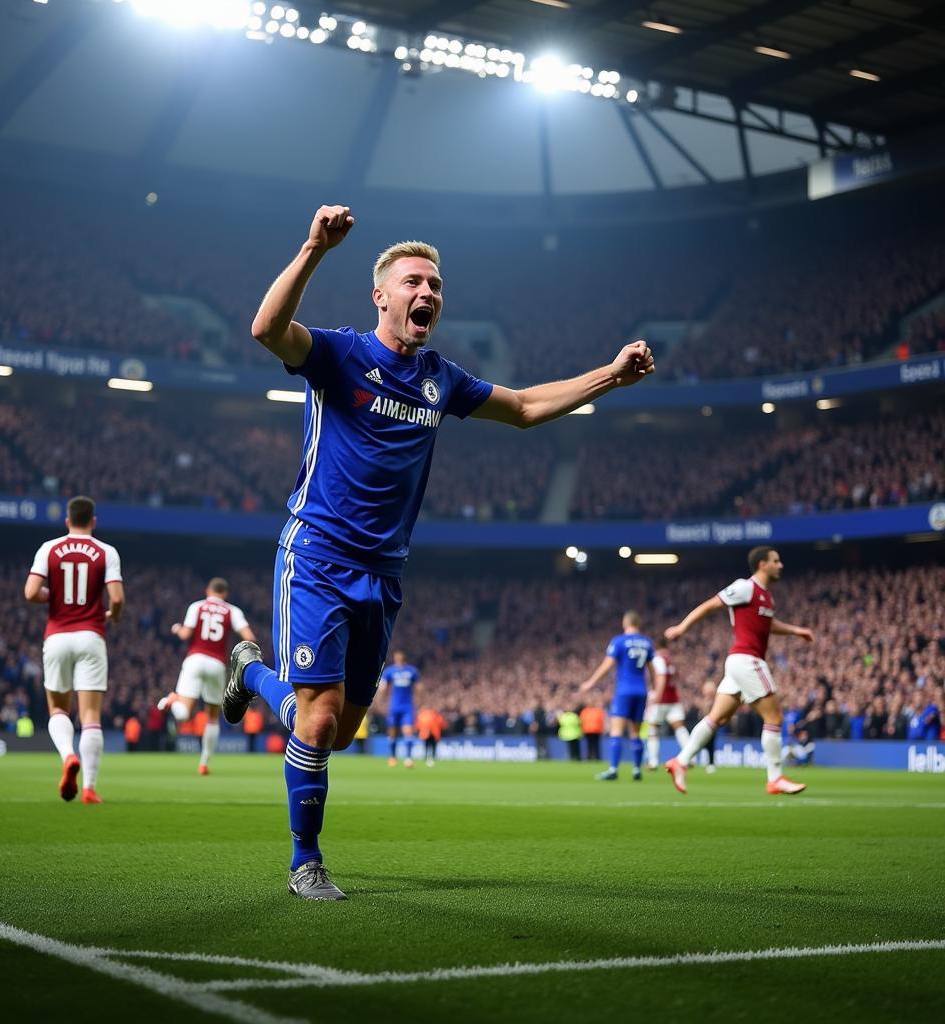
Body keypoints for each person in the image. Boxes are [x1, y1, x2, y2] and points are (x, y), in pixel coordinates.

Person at [220, 204, 655, 899]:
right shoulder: (340, 354)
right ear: (382, 295)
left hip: (384, 572)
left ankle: (250, 672)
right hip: (320, 555)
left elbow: (522, 408)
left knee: (338, 732)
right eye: (414, 282)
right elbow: (267, 329)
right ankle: (306, 860)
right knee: (321, 715)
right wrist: (312, 249)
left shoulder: (440, 378)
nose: (428, 293)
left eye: (436, 286)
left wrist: (609, 376)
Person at [663, 546, 815, 796]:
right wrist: (682, 628)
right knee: (774, 716)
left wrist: (795, 630)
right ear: (763, 565)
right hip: (747, 660)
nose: (781, 565)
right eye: (776, 561)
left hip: (738, 664)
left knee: (717, 718)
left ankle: (681, 761)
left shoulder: (767, 597)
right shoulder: (746, 587)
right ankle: (775, 778)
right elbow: (711, 605)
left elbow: (767, 624)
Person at [24, 495, 124, 804]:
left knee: (58, 709)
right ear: (93, 521)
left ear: (67, 520)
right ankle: (91, 789)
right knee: (91, 715)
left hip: (57, 637)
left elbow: (29, 593)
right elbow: (117, 598)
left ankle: (69, 756)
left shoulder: (49, 548)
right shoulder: (106, 551)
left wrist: (53, 597)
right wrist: (112, 616)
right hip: (91, 636)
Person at [157, 578, 256, 775]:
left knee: (184, 714)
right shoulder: (233, 611)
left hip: (195, 659)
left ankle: (172, 700)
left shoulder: (197, 606)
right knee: (212, 717)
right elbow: (250, 638)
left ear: (208, 591)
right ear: (225, 594)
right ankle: (204, 763)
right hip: (217, 665)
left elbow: (186, 634)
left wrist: (177, 628)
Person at [579, 611, 654, 781]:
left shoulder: (619, 641)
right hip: (641, 691)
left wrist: (591, 682)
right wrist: (656, 688)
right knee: (635, 733)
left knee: (617, 730)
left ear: (625, 623)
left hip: (624, 691)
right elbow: (653, 669)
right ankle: (636, 769)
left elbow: (607, 665)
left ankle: (613, 769)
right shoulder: (647, 642)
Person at [644, 640, 690, 770]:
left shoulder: (658, 659)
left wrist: (657, 696)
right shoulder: (671, 660)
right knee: (679, 728)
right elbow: (676, 678)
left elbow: (661, 677)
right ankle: (689, 757)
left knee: (653, 729)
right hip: (674, 699)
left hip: (661, 699)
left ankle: (653, 761)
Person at [379, 650, 421, 767]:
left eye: (400, 656)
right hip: (394, 706)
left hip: (407, 706)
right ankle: (392, 757)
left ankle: (408, 758)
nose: (398, 658)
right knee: (393, 733)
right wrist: (381, 698)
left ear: (404, 657)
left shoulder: (411, 671)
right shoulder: (390, 671)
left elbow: (419, 686)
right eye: (397, 656)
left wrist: (420, 700)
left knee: (408, 731)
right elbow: (383, 686)